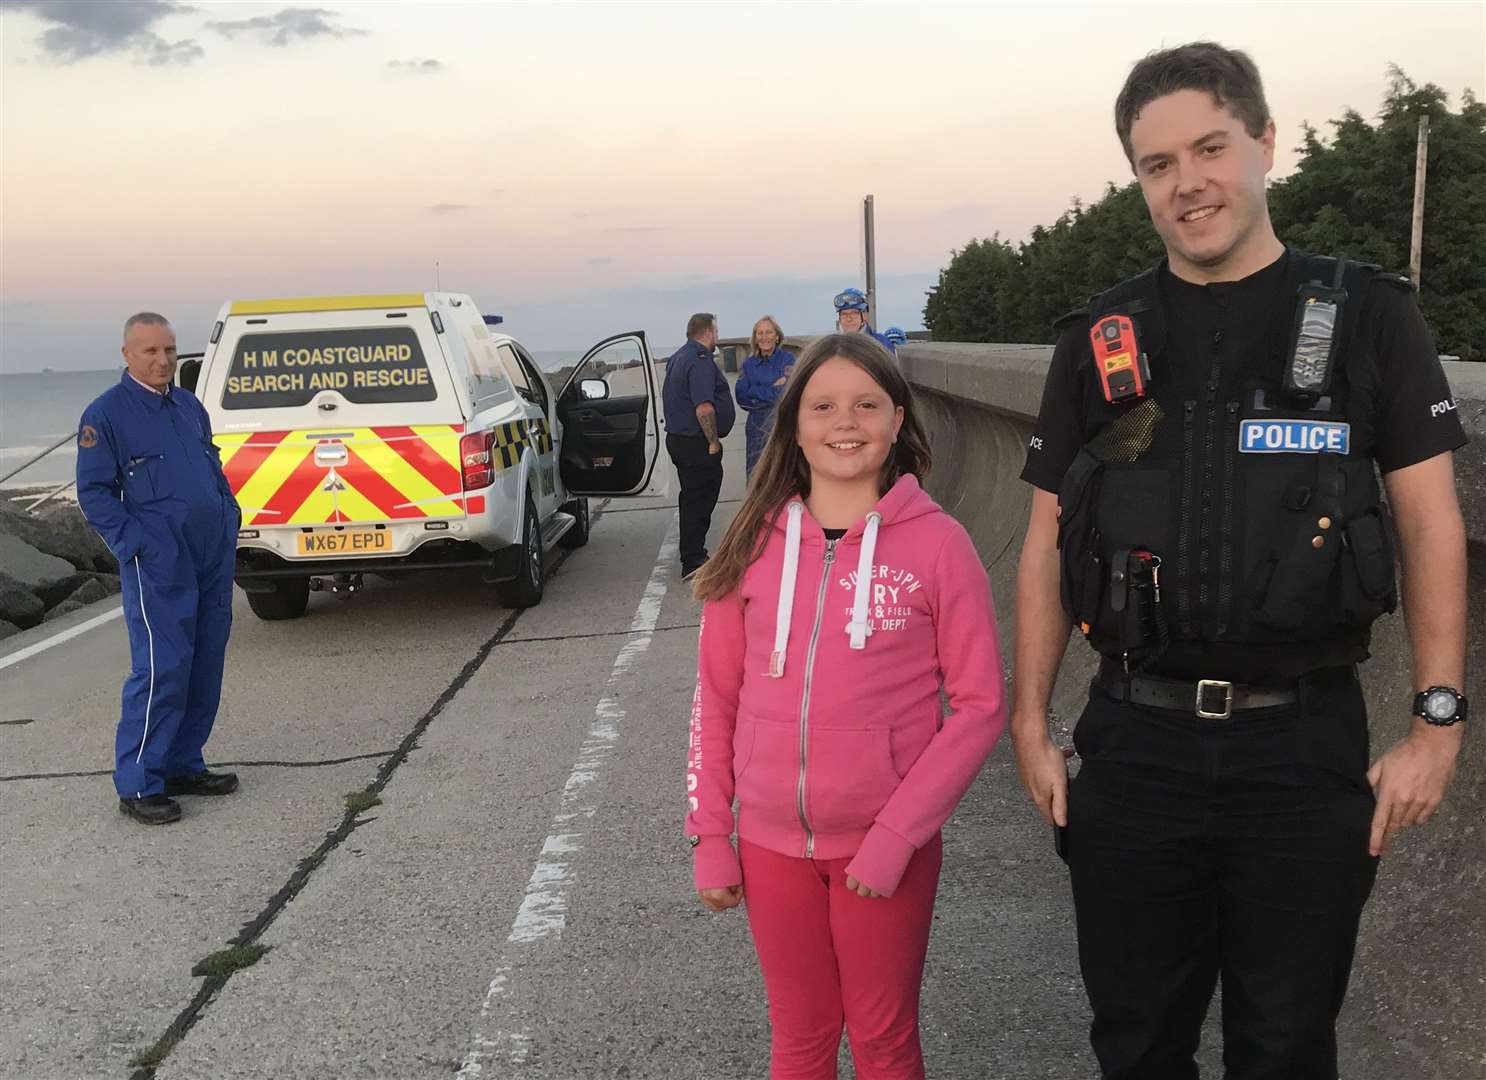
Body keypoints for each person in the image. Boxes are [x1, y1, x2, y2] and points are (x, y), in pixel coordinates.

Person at [1011, 42, 1468, 1079]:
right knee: (1134, 1046)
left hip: (1301, 753)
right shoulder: (1100, 338)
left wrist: (1435, 721)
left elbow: (1430, 523)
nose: (1187, 183)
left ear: (1264, 143)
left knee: (1285, 1047)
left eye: (1208, 148)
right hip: (1132, 744)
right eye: (1156, 165)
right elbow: (1042, 539)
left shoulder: (1367, 316)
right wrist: (1027, 721)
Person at [686, 332, 1006, 1079]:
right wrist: (710, 835)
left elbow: (980, 704)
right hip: (769, 847)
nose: (846, 422)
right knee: (799, 1037)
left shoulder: (939, 546)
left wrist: (898, 834)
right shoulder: (750, 543)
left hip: (883, 850)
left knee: (882, 1038)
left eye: (867, 405)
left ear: (899, 419)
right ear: (794, 423)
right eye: (824, 405)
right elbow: (716, 697)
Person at [77, 313, 244, 825]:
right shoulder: (105, 414)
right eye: (150, 351)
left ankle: (182, 763)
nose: (163, 360)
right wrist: (137, 545)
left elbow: (209, 465)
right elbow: (95, 493)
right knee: (162, 666)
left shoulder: (189, 406)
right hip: (159, 560)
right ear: (127, 354)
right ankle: (140, 783)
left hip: (210, 551)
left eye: (169, 350)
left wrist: (228, 512)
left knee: (204, 659)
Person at [662, 312, 736, 579]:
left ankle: (692, 554)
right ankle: (693, 560)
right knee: (699, 499)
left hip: (679, 439)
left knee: (692, 497)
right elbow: (704, 408)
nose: (716, 337)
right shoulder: (700, 360)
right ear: (707, 332)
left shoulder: (678, 357)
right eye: (715, 332)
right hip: (696, 443)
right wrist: (713, 442)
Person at [733, 315, 797, 476]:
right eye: (760, 333)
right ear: (755, 338)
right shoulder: (748, 364)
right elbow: (742, 397)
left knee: (783, 475)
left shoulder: (788, 359)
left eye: (769, 332)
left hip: (782, 426)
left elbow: (786, 393)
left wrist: (755, 391)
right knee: (756, 476)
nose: (764, 337)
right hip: (756, 428)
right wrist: (772, 389)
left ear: (777, 336)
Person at [832, 287, 897, 354]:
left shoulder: (881, 344)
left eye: (854, 313)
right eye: (844, 314)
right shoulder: (833, 347)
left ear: (865, 315)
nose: (849, 319)